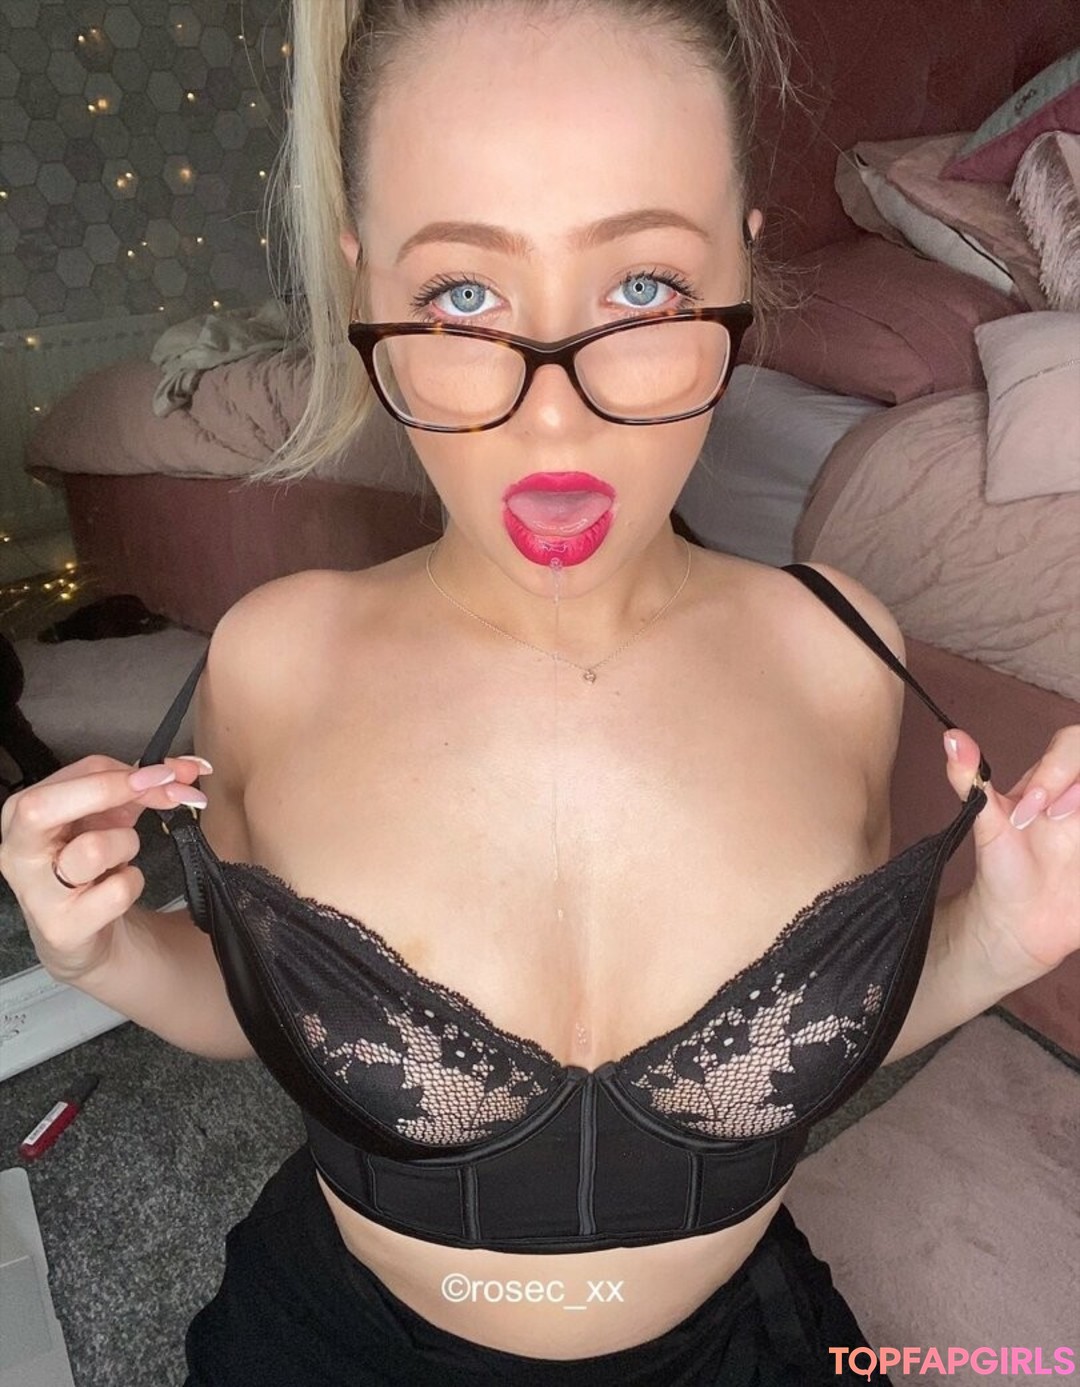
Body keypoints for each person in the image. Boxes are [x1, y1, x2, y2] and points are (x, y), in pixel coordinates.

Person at [2, 1, 1077, 1383]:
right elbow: (253, 1009)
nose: (551, 419)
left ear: (743, 268)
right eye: (463, 295)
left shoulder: (839, 652)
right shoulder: (275, 661)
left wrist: (989, 944)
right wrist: (100, 955)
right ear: (366, 284)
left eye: (643, 289)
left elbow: (811, 1050)